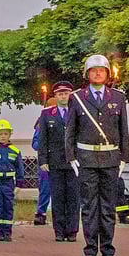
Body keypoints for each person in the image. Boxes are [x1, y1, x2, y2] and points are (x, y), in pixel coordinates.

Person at [64, 54, 129, 256]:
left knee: (108, 207)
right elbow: (70, 131)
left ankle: (108, 249)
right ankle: (90, 249)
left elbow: (124, 130)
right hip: (87, 158)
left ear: (107, 74)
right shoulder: (78, 98)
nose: (98, 73)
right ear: (87, 74)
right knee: (90, 206)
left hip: (111, 158)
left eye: (102, 70)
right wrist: (71, 157)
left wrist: (124, 158)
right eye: (94, 70)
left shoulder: (118, 97)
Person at [37, 81, 79, 242]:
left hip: (74, 162)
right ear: (55, 96)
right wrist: (43, 160)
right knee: (58, 197)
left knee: (73, 198)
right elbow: (43, 139)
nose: (63, 96)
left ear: (70, 95)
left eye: (66, 93)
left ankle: (72, 230)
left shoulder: (77, 112)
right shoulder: (47, 114)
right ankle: (59, 231)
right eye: (60, 94)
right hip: (54, 161)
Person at [31, 98, 56, 226]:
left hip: (61, 160)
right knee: (45, 188)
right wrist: (44, 144)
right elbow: (35, 144)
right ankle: (41, 213)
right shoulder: (41, 123)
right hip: (46, 160)